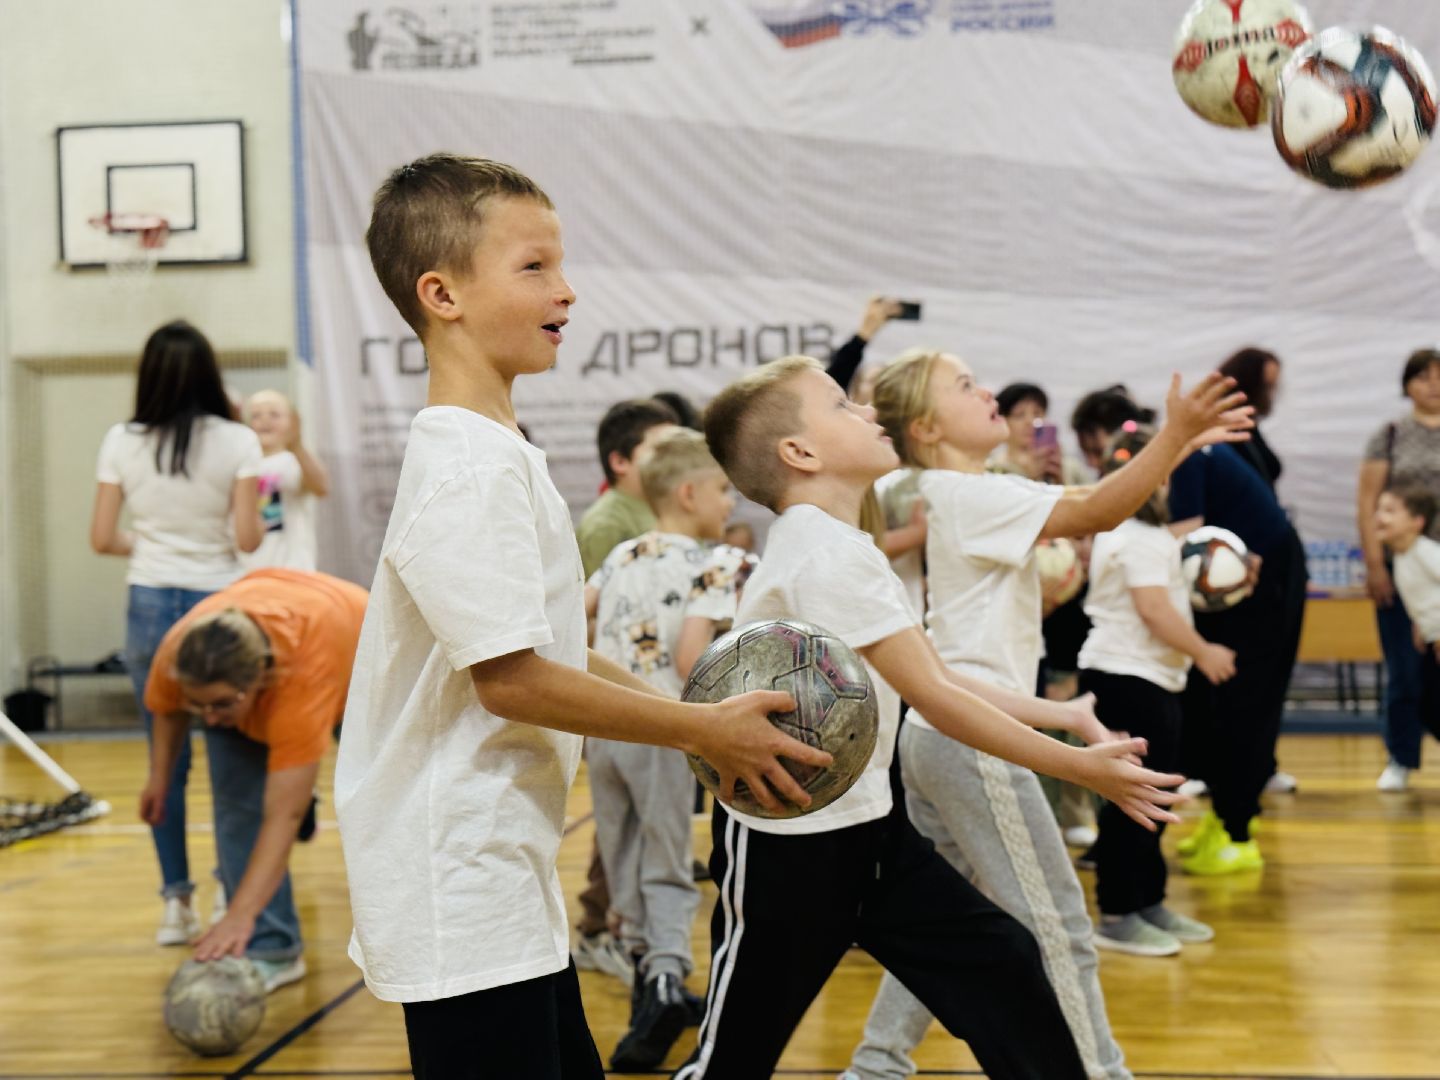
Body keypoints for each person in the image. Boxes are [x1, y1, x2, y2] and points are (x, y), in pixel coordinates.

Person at [332, 154, 827, 1080]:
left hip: (500, 869)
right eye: (534, 268)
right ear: (441, 294)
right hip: (459, 877)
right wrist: (702, 729)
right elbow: (512, 681)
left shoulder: (496, 450)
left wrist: (691, 727)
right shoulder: (468, 471)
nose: (567, 290)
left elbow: (553, 647)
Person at [678, 355, 1195, 1080]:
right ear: (800, 452)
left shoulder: (845, 547)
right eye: (841, 406)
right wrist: (1076, 765)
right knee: (732, 1060)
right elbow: (939, 696)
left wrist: (1065, 716)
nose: (866, 413)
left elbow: (938, 677)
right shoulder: (825, 555)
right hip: (788, 850)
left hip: (873, 834)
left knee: (1004, 963)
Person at [844, 352, 1246, 1080]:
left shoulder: (960, 490)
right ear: (929, 426)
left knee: (948, 925)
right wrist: (1173, 436)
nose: (988, 389)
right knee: (1059, 924)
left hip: (940, 739)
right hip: (972, 747)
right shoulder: (969, 495)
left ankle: (876, 1065)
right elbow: (1098, 508)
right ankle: (1102, 1071)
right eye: (965, 386)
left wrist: (1178, 443)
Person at [89, 320, 264, 946]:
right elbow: (247, 538)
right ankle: (228, 889)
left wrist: (155, 542)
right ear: (211, 375)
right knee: (231, 754)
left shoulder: (121, 440)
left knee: (165, 757)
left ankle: (175, 903)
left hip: (148, 602)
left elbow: (103, 538)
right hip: (218, 601)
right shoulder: (239, 439)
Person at [585, 429, 745, 1070]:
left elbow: (579, 613)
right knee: (667, 859)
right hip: (663, 727)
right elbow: (689, 658)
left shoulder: (622, 554)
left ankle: (648, 978)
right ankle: (664, 982)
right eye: (723, 489)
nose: (731, 502)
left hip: (604, 725)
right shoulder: (719, 563)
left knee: (622, 860)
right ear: (688, 493)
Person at [140, 568, 367, 990]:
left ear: (261, 680)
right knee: (236, 807)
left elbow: (282, 815)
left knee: (376, 803)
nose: (207, 719)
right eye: (199, 705)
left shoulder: (299, 676)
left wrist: (238, 914)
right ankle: (273, 949)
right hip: (282, 613)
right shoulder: (180, 651)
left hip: (354, 647)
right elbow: (169, 709)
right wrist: (159, 779)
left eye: (220, 705)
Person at [1078, 425, 1229, 956]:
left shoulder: (1142, 534)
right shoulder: (1134, 536)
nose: (1167, 482)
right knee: (1134, 801)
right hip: (1126, 680)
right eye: (1159, 472)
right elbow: (1154, 610)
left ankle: (1148, 900)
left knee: (1155, 797)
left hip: (1148, 680)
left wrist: (1186, 436)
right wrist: (1205, 651)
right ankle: (1118, 912)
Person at [573, 395, 679, 983]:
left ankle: (620, 926)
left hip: (649, 698)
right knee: (618, 828)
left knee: (636, 825)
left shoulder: (648, 515)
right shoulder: (609, 524)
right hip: (616, 698)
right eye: (658, 450)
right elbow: (587, 620)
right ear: (620, 462)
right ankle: (596, 929)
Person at [991, 381, 1097, 848]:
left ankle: (1074, 809)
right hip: (1019, 605)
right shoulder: (991, 472)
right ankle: (1038, 812)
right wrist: (1026, 475)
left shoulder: (1067, 468)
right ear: (1003, 421)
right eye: (1020, 413)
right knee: (1028, 706)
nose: (1030, 422)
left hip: (1067, 601)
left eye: (1039, 412)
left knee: (1070, 700)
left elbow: (1089, 520)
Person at [1216, 348, 1298, 796]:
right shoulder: (1224, 434)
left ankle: (1259, 763)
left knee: (1270, 675)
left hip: (1273, 567)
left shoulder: (1249, 430)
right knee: (1249, 679)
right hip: (1244, 574)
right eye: (1268, 384)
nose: (1273, 394)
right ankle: (1239, 771)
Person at [1358, 349, 1440, 791]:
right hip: (1401, 567)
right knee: (1404, 671)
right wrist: (1375, 564)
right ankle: (1401, 757)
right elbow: (1368, 502)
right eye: (1424, 377)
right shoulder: (1389, 435)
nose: (1433, 385)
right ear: (1408, 383)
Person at [1374, 486, 1440, 755]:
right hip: (1429, 638)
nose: (1380, 517)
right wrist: (1418, 624)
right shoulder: (1402, 556)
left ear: (1417, 522)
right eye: (1379, 509)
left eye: (1390, 511)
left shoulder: (1425, 551)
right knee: (1428, 704)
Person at [240, 390, 331, 572]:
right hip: (247, 570)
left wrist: (297, 445)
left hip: (292, 569)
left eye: (274, 414)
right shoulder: (241, 465)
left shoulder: (293, 461)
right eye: (256, 415)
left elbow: (322, 487)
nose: (265, 420)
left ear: (293, 423)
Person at [827, 295, 905, 402]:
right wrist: (865, 332)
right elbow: (837, 376)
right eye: (872, 380)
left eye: (885, 381)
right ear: (855, 390)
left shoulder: (899, 417)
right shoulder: (841, 414)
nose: (879, 386)